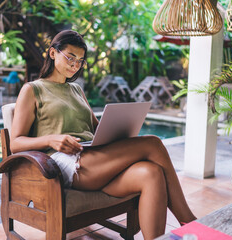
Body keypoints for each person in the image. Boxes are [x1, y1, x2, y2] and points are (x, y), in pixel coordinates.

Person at [11, 30, 196, 240]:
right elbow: (15, 143)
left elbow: (96, 128)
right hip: (64, 161)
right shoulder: (33, 89)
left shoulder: (76, 90)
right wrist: (51, 139)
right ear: (53, 53)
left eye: (80, 61)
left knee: (151, 173)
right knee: (152, 144)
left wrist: (119, 129)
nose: (75, 65)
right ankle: (190, 222)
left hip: (93, 158)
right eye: (70, 57)